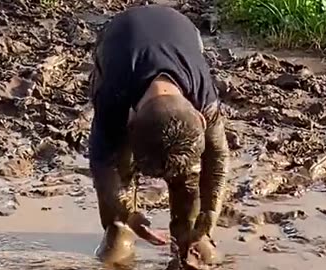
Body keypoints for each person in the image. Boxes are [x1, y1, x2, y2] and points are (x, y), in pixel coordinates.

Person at [88, 4, 229, 270]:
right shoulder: (111, 98)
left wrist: (211, 211)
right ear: (129, 123)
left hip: (182, 29)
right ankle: (117, 229)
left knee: (187, 173)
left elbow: (218, 156)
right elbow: (102, 164)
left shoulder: (204, 100)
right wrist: (126, 212)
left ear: (200, 119)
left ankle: (187, 234)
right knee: (119, 174)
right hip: (117, 37)